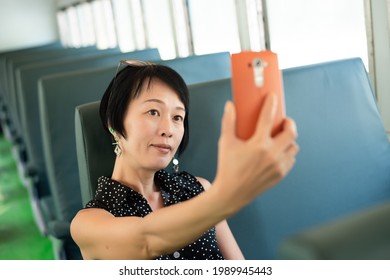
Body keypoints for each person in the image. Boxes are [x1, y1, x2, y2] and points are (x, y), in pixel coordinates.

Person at [70, 61, 299, 260]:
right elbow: (147, 241)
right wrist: (230, 192)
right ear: (114, 123)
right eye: (153, 112)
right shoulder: (88, 224)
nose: (168, 129)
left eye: (177, 117)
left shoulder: (200, 189)